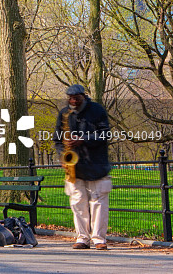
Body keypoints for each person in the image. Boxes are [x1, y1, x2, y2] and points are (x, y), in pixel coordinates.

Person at [54, 84, 112, 250]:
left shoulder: (97, 110)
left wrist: (83, 139)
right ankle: (82, 238)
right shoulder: (64, 113)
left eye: (76, 99)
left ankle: (99, 239)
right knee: (77, 202)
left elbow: (105, 134)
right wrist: (62, 156)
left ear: (84, 97)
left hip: (96, 165)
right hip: (75, 167)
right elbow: (58, 140)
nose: (73, 101)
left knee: (98, 203)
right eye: (70, 99)